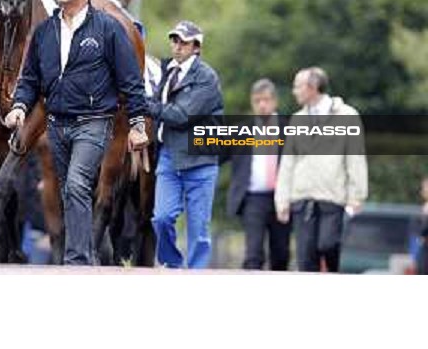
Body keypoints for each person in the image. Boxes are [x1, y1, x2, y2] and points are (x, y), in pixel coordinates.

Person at [4, 0, 149, 266]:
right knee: (71, 191)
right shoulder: (44, 32)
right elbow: (30, 78)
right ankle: (86, 255)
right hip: (57, 124)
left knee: (76, 184)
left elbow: (131, 82)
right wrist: (19, 107)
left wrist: (137, 124)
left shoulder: (108, 29)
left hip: (94, 123)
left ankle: (77, 261)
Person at [274, 67, 368, 272]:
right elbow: (288, 163)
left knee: (328, 245)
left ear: (313, 87)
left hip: (332, 198)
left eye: (298, 86)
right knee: (306, 258)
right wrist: (282, 200)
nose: (294, 91)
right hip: (302, 199)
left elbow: (355, 158)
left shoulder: (347, 115)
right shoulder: (297, 119)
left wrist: (357, 195)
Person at [149, 20, 224, 269]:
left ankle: (195, 277)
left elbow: (181, 115)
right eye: (174, 40)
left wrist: (143, 103)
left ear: (196, 47)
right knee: (161, 218)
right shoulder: (168, 72)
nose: (177, 45)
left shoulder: (207, 77)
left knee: (198, 230)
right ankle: (172, 265)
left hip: (200, 159)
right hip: (169, 155)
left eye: (184, 41)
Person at [226, 78, 291, 270]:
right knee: (253, 254)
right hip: (253, 198)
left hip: (282, 198)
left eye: (266, 100)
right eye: (257, 100)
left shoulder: (289, 129)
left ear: (275, 101)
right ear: (252, 102)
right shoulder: (240, 131)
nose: (262, 105)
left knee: (281, 253)